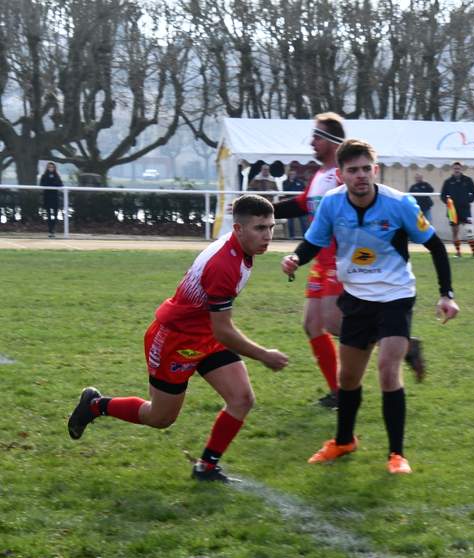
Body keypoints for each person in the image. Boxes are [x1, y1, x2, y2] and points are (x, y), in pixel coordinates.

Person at [67, 195, 288, 483]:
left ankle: (206, 468)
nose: (268, 235)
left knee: (242, 399)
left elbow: (217, 326)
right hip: (175, 340)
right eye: (260, 228)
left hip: (204, 333)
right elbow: (224, 330)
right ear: (238, 229)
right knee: (160, 418)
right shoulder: (224, 265)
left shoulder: (239, 250)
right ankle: (96, 405)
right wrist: (263, 354)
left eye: (271, 227)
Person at [281, 138, 459, 476]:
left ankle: (396, 454)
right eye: (353, 170)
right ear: (342, 174)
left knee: (388, 370)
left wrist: (446, 295)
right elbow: (314, 242)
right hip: (357, 299)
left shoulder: (400, 204)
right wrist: (294, 258)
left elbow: (436, 246)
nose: (361, 175)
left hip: (395, 296)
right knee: (347, 377)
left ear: (375, 170)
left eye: (367, 169)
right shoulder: (332, 205)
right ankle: (344, 441)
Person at [267, 112, 348, 408]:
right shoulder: (319, 175)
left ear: (331, 141)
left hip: (341, 260)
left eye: (317, 136)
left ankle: (398, 342)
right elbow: (302, 205)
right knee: (312, 324)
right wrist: (264, 210)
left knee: (334, 323)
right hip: (319, 258)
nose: (312, 142)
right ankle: (339, 393)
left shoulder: (343, 174)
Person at [439, 162, 474, 259]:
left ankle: (473, 253)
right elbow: (442, 195)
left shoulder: (468, 180)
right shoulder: (448, 181)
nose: (457, 170)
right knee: (455, 232)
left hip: (465, 210)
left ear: (461, 169)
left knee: (470, 231)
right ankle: (458, 252)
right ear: (452, 169)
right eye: (455, 168)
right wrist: (448, 202)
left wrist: (469, 200)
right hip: (453, 211)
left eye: (458, 168)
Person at [281, 167, 307, 239]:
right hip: (290, 203)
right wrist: (291, 182)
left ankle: (305, 236)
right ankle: (291, 236)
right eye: (291, 174)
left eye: (294, 174)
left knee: (303, 220)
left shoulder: (300, 182)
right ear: (288, 174)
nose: (292, 175)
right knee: (290, 221)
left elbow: (304, 190)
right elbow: (285, 191)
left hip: (299, 203)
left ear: (296, 174)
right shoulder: (285, 182)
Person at [39, 161, 63, 238]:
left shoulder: (57, 176)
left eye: (52, 167)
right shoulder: (44, 176)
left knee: (55, 216)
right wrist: (50, 182)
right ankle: (50, 230)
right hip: (47, 198)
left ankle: (53, 230)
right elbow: (42, 184)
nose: (51, 168)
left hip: (55, 198)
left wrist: (53, 183)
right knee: (48, 215)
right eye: (49, 167)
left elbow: (60, 184)